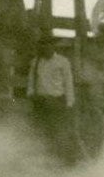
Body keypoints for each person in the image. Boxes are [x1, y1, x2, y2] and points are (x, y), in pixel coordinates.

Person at [27, 35, 78, 163]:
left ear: (53, 46)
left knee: (58, 131)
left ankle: (59, 159)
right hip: (41, 101)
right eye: (42, 45)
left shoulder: (62, 61)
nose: (45, 47)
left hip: (57, 101)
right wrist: (31, 94)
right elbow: (31, 80)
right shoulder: (36, 62)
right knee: (40, 131)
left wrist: (70, 102)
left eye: (48, 44)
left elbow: (68, 83)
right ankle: (41, 159)